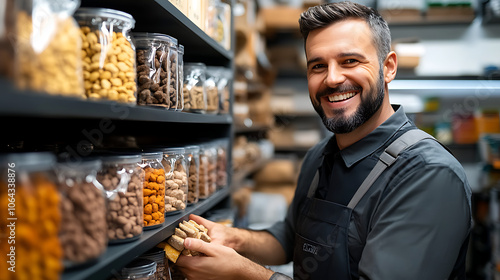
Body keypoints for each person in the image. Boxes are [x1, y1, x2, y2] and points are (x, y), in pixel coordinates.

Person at [175, 2, 472, 279]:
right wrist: (234, 238)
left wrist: (246, 274)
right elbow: (289, 238)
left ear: (388, 67)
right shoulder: (320, 156)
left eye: (350, 61)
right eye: (318, 66)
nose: (331, 79)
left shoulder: (429, 174)